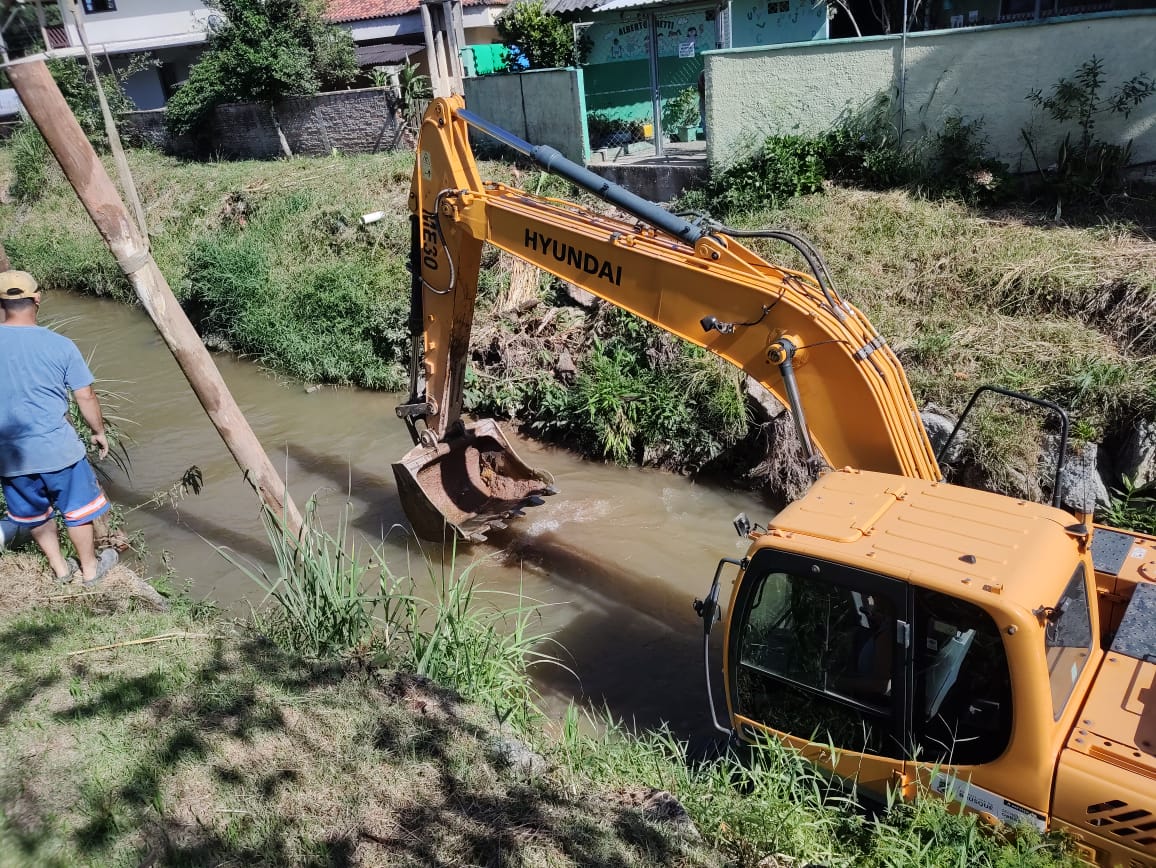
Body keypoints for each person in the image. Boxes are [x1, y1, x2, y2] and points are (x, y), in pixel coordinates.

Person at [0, 270, 117, 585]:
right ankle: (91, 570)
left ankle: (61, 570)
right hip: (59, 450)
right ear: (37, 299)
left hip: (10, 456)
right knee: (78, 509)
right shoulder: (61, 346)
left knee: (34, 514)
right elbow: (85, 395)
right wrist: (98, 431)